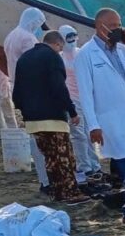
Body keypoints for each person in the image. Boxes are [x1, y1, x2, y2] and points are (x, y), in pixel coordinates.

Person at [74, 8, 125, 236]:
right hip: (110, 121)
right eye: (114, 25)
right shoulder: (86, 55)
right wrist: (93, 126)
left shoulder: (123, 50)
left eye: (120, 23)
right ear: (101, 26)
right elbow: (86, 95)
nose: (119, 28)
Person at [12, 30, 87, 205]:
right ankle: (69, 193)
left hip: (32, 119)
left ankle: (56, 191)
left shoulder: (24, 58)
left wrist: (25, 111)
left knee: (49, 158)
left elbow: (17, 91)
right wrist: (72, 111)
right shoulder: (52, 57)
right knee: (63, 156)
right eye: (61, 48)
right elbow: (59, 87)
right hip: (52, 117)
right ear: (58, 44)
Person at [3, 7, 49, 191]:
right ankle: (46, 179)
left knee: (33, 132)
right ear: (33, 22)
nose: (39, 29)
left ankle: (42, 178)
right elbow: (36, 66)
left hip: (18, 88)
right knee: (42, 134)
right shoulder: (28, 38)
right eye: (38, 25)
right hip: (32, 89)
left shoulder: (10, 36)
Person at [58, 24, 103, 180]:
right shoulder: (59, 57)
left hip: (87, 98)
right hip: (72, 99)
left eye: (74, 36)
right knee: (78, 135)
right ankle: (84, 166)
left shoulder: (81, 53)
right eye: (68, 37)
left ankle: (94, 165)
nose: (72, 40)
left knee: (90, 132)